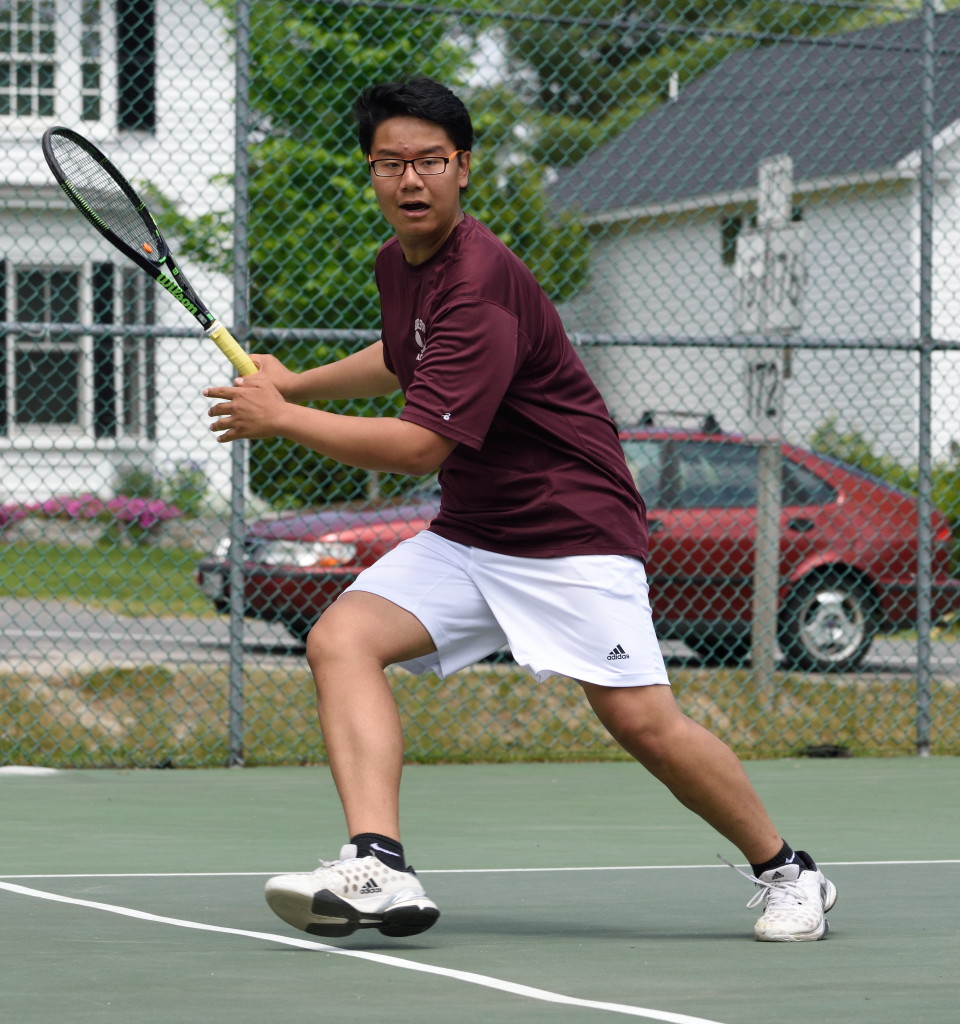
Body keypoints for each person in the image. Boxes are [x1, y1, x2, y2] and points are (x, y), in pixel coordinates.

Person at [202, 76, 836, 943]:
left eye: (430, 161)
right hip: (476, 533)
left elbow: (422, 443)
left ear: (464, 169)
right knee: (341, 639)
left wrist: (283, 419)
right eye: (391, 163)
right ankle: (378, 863)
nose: (411, 179)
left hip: (570, 532)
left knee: (642, 722)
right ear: (372, 174)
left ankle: (788, 871)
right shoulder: (402, 265)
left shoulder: (480, 281)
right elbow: (400, 356)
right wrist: (297, 381)